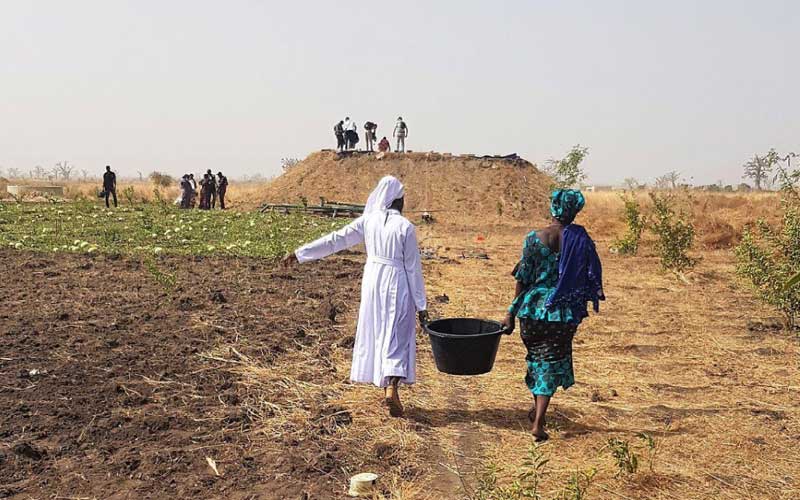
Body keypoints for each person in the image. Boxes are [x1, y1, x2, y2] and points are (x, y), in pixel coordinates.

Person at [283, 176, 428, 417]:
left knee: (380, 329)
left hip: (372, 281)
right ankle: (391, 386)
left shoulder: (368, 221)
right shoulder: (405, 227)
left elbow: (336, 240)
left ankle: (387, 388)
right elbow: (413, 268)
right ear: (397, 199)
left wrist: (300, 254)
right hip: (397, 281)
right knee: (397, 333)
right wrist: (422, 306)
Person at [501, 189, 604, 441]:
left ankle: (538, 410)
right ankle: (538, 423)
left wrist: (510, 313)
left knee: (537, 359)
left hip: (532, 310)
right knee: (549, 361)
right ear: (574, 211)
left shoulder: (534, 239)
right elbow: (588, 275)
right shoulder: (581, 240)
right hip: (561, 313)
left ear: (553, 208)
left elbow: (523, 278)